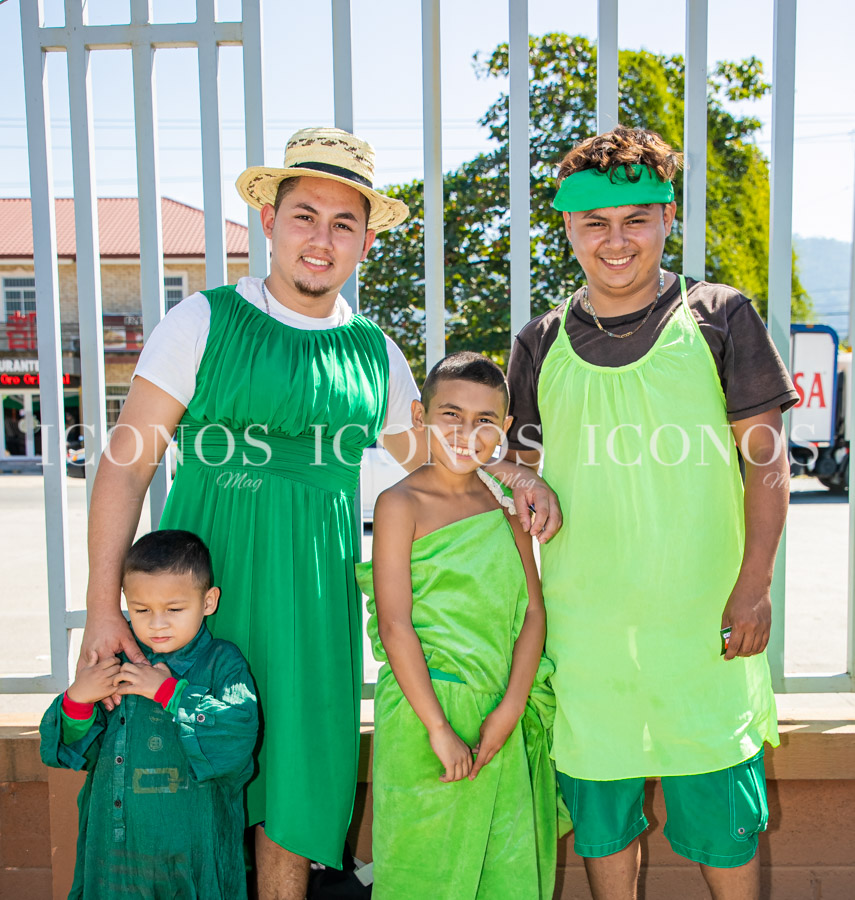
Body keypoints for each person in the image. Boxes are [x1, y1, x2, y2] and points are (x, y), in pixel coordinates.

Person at [79, 127, 562, 900]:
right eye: (305, 215)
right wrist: (106, 609)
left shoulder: (375, 352)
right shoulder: (202, 321)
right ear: (268, 219)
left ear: (365, 241)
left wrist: (509, 469)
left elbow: (434, 456)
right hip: (204, 593)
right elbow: (126, 464)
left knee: (298, 791)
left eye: (344, 223)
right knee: (186, 766)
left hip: (316, 600)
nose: (321, 239)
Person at [506, 125, 798, 900]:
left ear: (666, 220)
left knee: (720, 823)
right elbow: (513, 468)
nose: (615, 240)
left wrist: (753, 584)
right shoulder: (538, 343)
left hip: (703, 628)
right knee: (602, 821)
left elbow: (765, 463)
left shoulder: (718, 317)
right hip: (586, 633)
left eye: (635, 218)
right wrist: (512, 474)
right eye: (594, 222)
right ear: (567, 228)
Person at [356, 352, 561, 900]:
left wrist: (511, 709)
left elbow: (533, 613)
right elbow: (396, 625)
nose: (467, 433)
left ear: (506, 428)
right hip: (427, 715)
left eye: (485, 421)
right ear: (420, 417)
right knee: (425, 873)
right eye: (451, 415)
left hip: (502, 715)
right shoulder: (400, 503)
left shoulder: (504, 503)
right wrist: (439, 729)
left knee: (506, 868)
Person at [40, 530, 258, 900]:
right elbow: (76, 753)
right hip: (116, 861)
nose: (157, 624)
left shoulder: (222, 662)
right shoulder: (116, 663)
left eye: (174, 609)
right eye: (141, 610)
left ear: (208, 602)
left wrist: (168, 693)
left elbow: (237, 738)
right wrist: (78, 700)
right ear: (126, 601)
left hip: (195, 859)